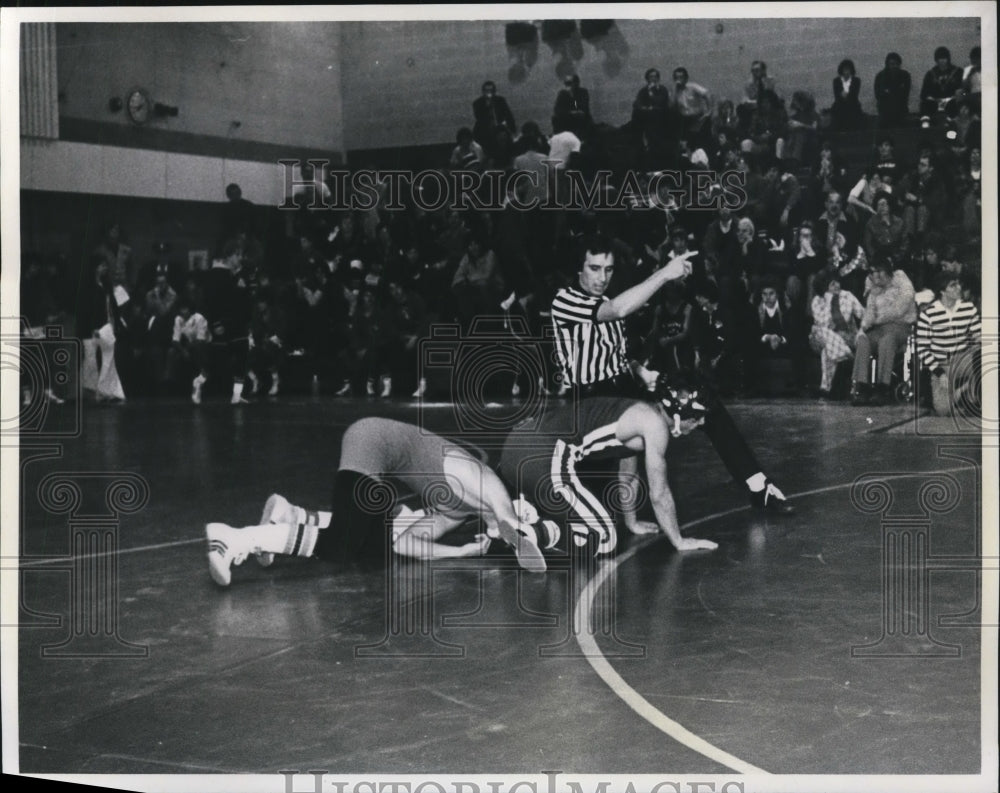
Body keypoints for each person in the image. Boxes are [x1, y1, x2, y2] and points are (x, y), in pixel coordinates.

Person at [550, 239, 795, 514]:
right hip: (590, 403)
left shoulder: (605, 299)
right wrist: (665, 273)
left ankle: (758, 486)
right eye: (594, 268)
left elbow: (616, 355)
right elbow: (619, 309)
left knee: (704, 402)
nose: (602, 277)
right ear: (578, 270)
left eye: (608, 270)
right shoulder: (565, 301)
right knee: (584, 508)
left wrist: (642, 371)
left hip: (623, 390)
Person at [205, 417, 551, 587]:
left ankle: (292, 517)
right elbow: (502, 507)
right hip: (372, 442)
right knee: (343, 544)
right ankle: (235, 538)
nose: (497, 536)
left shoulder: (458, 511)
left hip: (378, 455)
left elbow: (404, 543)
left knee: (374, 547)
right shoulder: (480, 478)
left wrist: (461, 552)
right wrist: (514, 527)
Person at [497, 374, 719, 556]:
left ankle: (517, 515)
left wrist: (631, 522)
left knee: (588, 524)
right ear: (680, 413)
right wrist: (679, 541)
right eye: (697, 417)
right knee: (603, 538)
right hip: (542, 453)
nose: (702, 422)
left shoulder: (640, 413)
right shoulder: (655, 426)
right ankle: (537, 534)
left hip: (516, 446)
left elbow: (627, 477)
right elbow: (659, 493)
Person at [850, 258, 917, 406]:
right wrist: (862, 329)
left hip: (901, 326)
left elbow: (899, 310)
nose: (874, 276)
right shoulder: (874, 288)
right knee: (863, 340)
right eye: (872, 272)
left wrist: (876, 320)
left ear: (886, 272)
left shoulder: (901, 281)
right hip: (879, 328)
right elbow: (869, 312)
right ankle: (862, 386)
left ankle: (883, 387)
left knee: (887, 340)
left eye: (877, 271)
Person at [915, 270, 981, 416]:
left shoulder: (968, 308)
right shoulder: (928, 314)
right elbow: (922, 348)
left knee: (983, 356)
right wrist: (939, 373)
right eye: (953, 285)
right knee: (943, 410)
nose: (959, 288)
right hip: (942, 364)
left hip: (964, 359)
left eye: (958, 284)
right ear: (942, 291)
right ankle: (962, 392)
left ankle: (974, 394)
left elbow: (979, 335)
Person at [809, 268, 865, 398]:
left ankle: (826, 388)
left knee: (827, 350)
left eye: (838, 282)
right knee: (824, 333)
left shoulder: (847, 296)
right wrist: (830, 300)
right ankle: (846, 354)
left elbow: (862, 314)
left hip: (845, 337)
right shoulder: (817, 301)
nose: (837, 286)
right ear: (824, 287)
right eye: (832, 284)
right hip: (822, 336)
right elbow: (823, 323)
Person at [919, 46, 964, 124]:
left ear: (948, 59)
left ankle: (951, 124)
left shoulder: (958, 72)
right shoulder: (930, 74)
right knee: (924, 104)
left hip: (951, 100)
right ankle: (925, 125)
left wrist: (953, 97)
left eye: (944, 58)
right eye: (940, 58)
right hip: (935, 101)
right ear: (936, 60)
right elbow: (923, 93)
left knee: (956, 105)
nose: (942, 61)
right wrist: (932, 98)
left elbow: (963, 89)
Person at [873, 52, 911, 128]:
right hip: (885, 111)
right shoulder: (880, 76)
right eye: (892, 64)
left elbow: (905, 94)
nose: (895, 66)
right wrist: (894, 92)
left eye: (897, 64)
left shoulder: (905, 75)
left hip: (901, 109)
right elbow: (878, 95)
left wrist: (889, 92)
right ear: (887, 65)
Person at [552, 74, 592, 138]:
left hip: (581, 120)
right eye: (566, 83)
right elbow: (557, 109)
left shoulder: (583, 92)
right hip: (567, 119)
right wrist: (570, 113)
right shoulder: (562, 94)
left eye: (570, 83)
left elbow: (581, 107)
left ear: (577, 83)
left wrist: (572, 95)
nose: (568, 85)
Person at [831, 59, 864, 131]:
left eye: (848, 69)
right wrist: (846, 94)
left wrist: (845, 94)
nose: (847, 71)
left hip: (853, 106)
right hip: (840, 106)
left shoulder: (856, 80)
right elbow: (837, 96)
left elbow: (854, 95)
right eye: (845, 69)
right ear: (841, 70)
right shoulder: (836, 81)